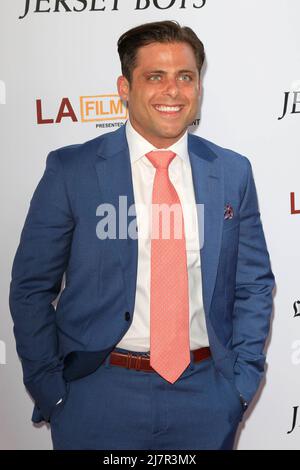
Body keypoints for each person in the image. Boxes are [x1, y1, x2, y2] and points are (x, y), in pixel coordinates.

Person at [9, 21, 275, 450]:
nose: (173, 91)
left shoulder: (232, 172)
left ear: (199, 87)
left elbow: (253, 285)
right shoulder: (71, 170)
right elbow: (31, 287)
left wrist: (239, 386)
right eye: (156, 76)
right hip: (97, 395)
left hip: (206, 396)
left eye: (185, 77)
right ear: (124, 86)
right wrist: (53, 391)